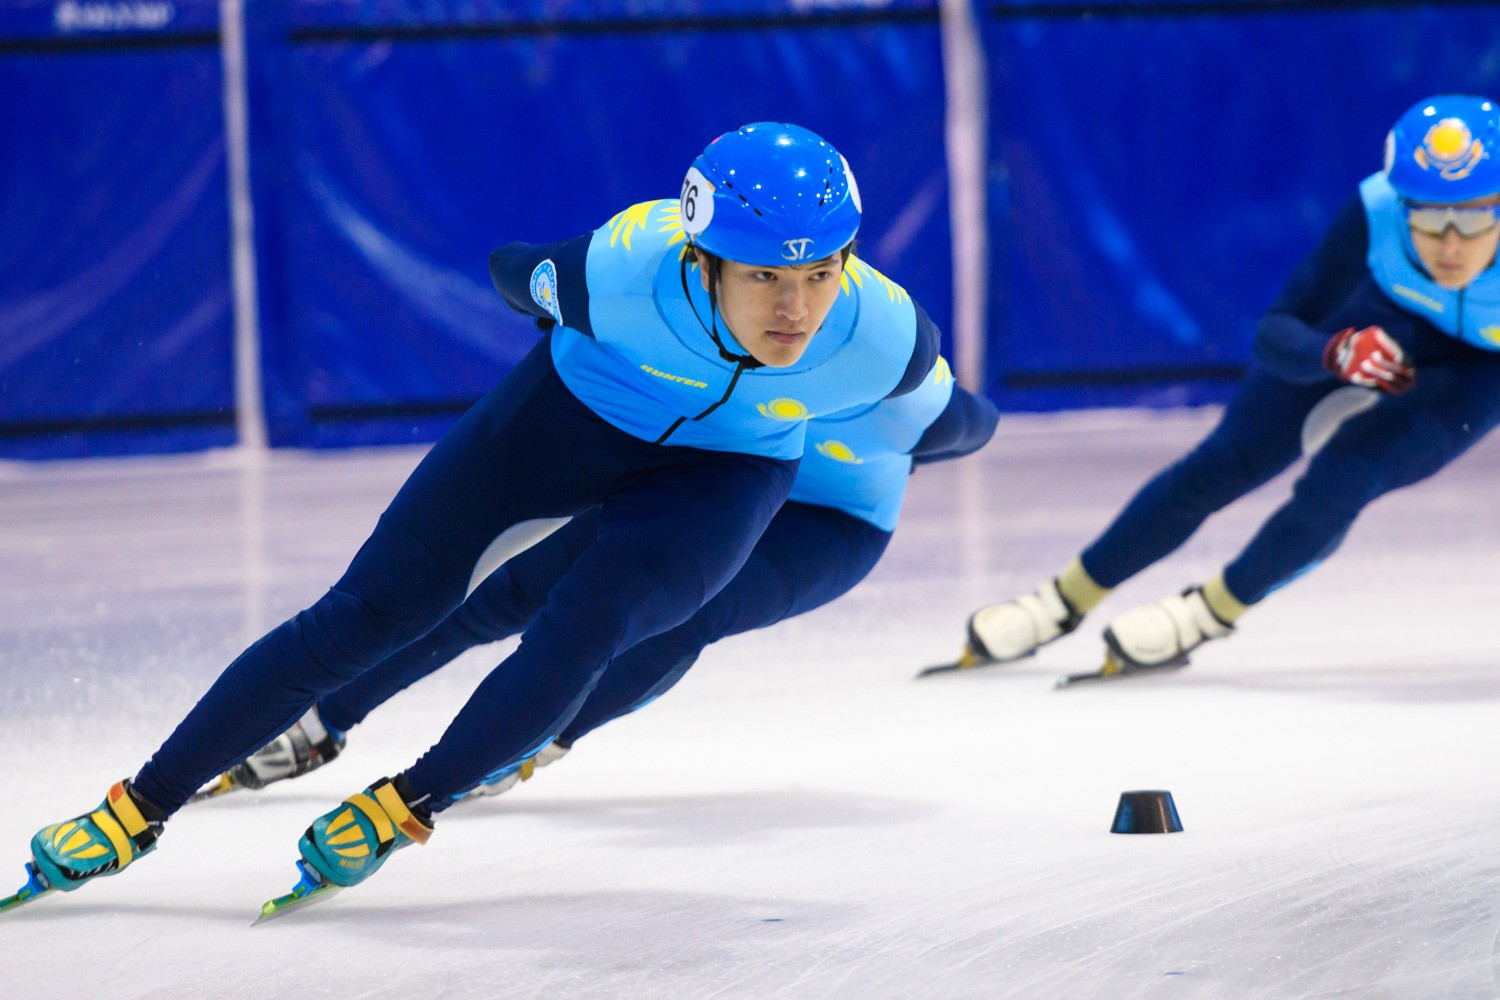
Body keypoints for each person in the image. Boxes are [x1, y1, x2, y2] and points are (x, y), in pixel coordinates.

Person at [19, 122, 942, 904]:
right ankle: (137, 807)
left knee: (591, 626)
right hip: (577, 414)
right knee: (376, 612)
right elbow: (514, 271)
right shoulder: (621, 273)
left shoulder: (885, 338)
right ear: (700, 261)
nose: (797, 310)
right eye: (764, 279)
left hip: (726, 470)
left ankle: (407, 804)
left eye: (822, 274)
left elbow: (957, 420)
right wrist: (557, 319)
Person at [200, 358, 999, 803]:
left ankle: (539, 739)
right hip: (710, 484)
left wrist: (905, 436)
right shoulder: (708, 333)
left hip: (830, 523)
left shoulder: (897, 393)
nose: (784, 329)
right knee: (502, 594)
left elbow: (976, 426)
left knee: (683, 613)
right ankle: (325, 721)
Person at [957, 94, 1500, 676]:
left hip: (1480, 367)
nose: (1449, 243)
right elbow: (1275, 331)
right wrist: (1333, 351)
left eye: (1472, 218)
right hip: (1388, 321)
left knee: (1344, 476)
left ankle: (1206, 613)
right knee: (1225, 462)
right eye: (1426, 217)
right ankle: (1059, 602)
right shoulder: (1376, 210)